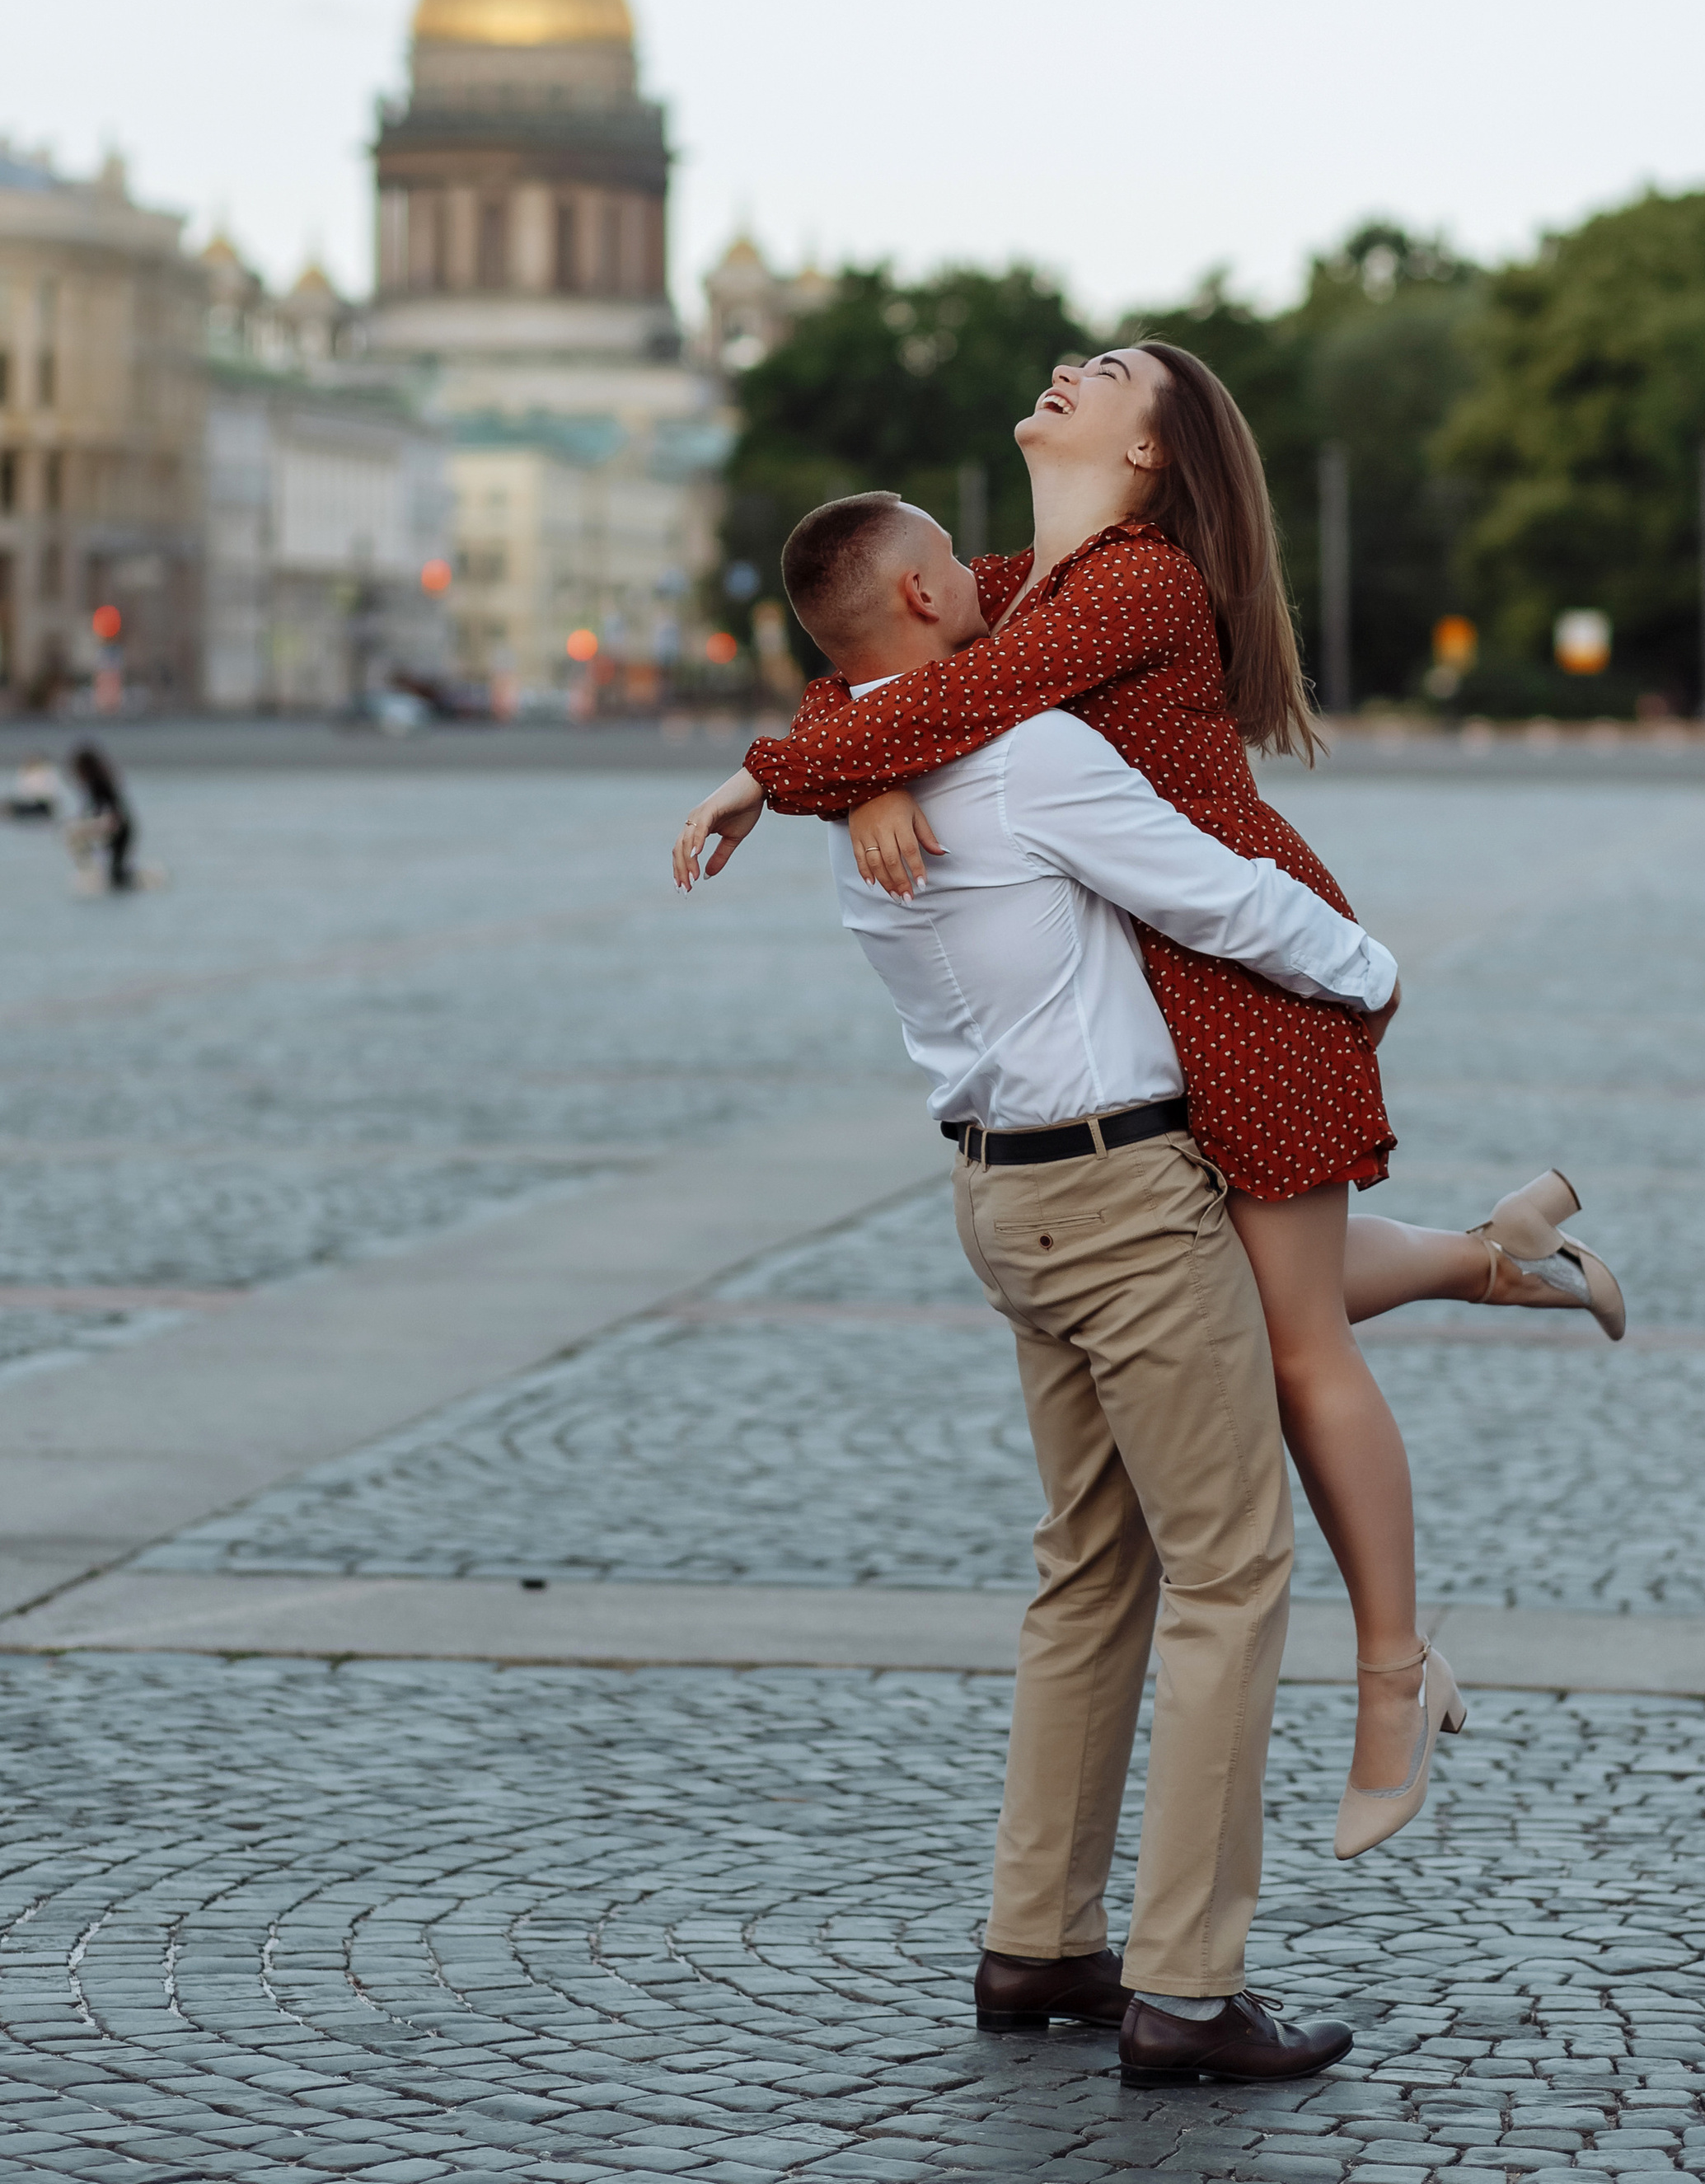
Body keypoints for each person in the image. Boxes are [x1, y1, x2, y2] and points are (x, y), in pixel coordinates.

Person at [677, 346, 1623, 1841]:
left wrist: (782, 771)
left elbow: (945, 694)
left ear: (1147, 458)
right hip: (1173, 980)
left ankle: (1396, 1677)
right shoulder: (1021, 581)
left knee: (1296, 1346)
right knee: (1252, 1290)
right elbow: (886, 657)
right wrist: (852, 771)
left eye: (1103, 374)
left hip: (1255, 972)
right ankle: (1489, 1257)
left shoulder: (1134, 584)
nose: (1063, 368)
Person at [677, 490, 1383, 2084]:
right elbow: (1210, 891)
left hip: (1004, 1196)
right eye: (960, 562)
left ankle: (1039, 1942)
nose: (993, 585)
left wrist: (843, 765)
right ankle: (1189, 1990)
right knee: (1229, 1570)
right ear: (930, 595)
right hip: (1120, 1191)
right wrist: (1371, 969)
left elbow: (878, 711)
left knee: (1090, 1564)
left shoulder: (873, 766)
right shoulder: (1030, 752)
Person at [69, 745, 137, 890]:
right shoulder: (103, 779)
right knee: (116, 869)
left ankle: (119, 886)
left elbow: (100, 808)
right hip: (124, 827)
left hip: (117, 827)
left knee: (115, 871)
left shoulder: (96, 783)